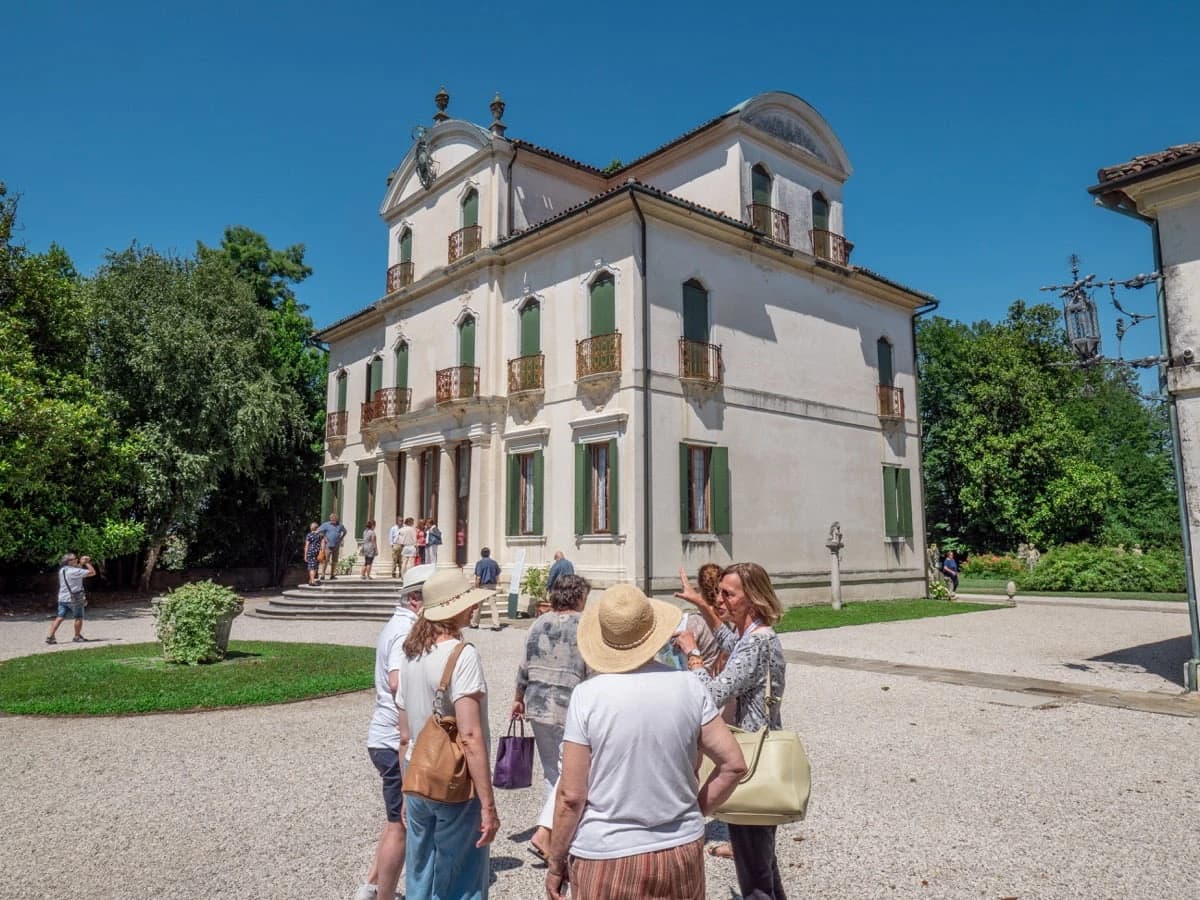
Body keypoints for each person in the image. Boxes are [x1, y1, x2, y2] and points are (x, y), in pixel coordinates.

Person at [544, 584, 747, 900]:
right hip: (680, 848)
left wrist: (556, 860)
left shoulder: (588, 695)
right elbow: (733, 765)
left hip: (607, 853)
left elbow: (571, 795)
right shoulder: (689, 686)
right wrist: (695, 809)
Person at [674, 562, 789, 899]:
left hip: (751, 756)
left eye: (728, 594)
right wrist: (701, 604)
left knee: (753, 871)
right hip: (757, 751)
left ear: (752, 598)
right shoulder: (752, 634)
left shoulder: (756, 644)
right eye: (719, 593)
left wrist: (693, 655)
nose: (720, 600)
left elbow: (712, 694)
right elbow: (725, 636)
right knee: (762, 861)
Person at [397, 570, 499, 900]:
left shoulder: (409, 653)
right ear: (452, 610)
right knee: (462, 879)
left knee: (420, 874)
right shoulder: (461, 654)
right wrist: (488, 803)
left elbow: (403, 735)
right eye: (467, 604)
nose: (472, 609)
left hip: (417, 775)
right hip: (454, 779)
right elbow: (469, 734)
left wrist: (405, 787)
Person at [355, 563, 433, 900]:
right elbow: (397, 681)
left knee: (394, 822)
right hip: (393, 740)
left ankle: (371, 886)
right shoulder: (405, 633)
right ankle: (383, 896)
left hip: (385, 738)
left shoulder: (402, 624)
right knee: (400, 825)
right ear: (416, 599)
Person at [512, 574, 592, 862]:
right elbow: (591, 669)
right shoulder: (585, 626)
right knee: (574, 771)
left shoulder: (537, 623)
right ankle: (549, 834)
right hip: (570, 705)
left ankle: (555, 833)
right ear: (577, 596)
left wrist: (517, 698)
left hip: (537, 702)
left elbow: (524, 664)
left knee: (552, 772)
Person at [46, 553, 96, 644]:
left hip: (62, 598)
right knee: (78, 617)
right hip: (74, 598)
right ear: (69, 561)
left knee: (60, 617)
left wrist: (81, 562)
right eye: (74, 559)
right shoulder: (74, 571)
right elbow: (92, 572)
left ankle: (50, 636)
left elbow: (76, 569)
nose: (76, 560)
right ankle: (77, 636)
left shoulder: (63, 570)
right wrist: (87, 563)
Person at [471, 547, 501, 630]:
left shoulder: (479, 563)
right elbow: (497, 575)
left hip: (482, 587)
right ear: (489, 553)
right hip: (492, 586)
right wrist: (498, 583)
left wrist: (475, 586)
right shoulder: (494, 563)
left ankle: (474, 623)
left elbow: (478, 577)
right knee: (493, 606)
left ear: (481, 554)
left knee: (478, 606)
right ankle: (496, 624)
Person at [318, 514, 348, 581]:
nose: (333, 521)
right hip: (328, 546)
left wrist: (341, 538)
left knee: (334, 561)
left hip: (336, 546)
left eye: (334, 519)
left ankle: (332, 575)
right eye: (332, 519)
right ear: (330, 519)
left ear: (336, 519)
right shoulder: (326, 524)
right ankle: (323, 575)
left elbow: (345, 531)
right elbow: (319, 531)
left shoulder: (340, 525)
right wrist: (324, 537)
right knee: (325, 561)